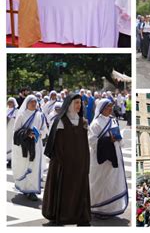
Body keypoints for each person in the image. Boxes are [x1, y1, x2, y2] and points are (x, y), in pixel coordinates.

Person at [42, 94, 91, 226]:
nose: (79, 105)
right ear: (69, 104)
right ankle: (61, 216)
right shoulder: (60, 121)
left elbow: (85, 146)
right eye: (76, 103)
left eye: (80, 103)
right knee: (64, 191)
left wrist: (85, 163)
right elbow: (57, 146)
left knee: (79, 190)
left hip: (79, 164)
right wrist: (64, 163)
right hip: (63, 164)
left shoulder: (83, 122)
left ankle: (81, 216)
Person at [88, 99, 128, 217]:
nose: (110, 109)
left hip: (114, 155)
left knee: (112, 182)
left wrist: (118, 138)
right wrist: (107, 141)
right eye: (107, 107)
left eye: (111, 107)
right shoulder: (96, 123)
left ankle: (110, 208)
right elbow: (92, 141)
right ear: (101, 108)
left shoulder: (113, 120)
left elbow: (119, 137)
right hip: (101, 158)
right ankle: (99, 208)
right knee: (101, 182)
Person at [12, 95, 47, 201]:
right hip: (24, 146)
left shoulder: (40, 115)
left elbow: (45, 130)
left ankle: (32, 191)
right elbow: (16, 131)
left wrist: (39, 134)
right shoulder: (21, 115)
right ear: (27, 103)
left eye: (35, 102)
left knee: (35, 167)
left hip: (36, 145)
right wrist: (27, 134)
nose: (33, 103)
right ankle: (24, 187)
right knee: (24, 166)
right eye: (31, 102)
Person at [7, 98, 19, 168]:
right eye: (8, 102)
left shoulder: (16, 111)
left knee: (11, 144)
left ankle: (11, 160)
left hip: (12, 130)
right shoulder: (6, 110)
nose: (9, 104)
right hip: (7, 129)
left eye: (11, 102)